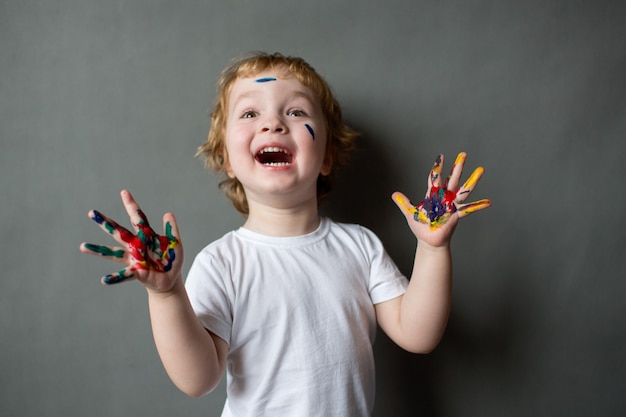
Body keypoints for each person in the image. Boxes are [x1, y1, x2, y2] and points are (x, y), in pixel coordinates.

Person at [80, 52, 491, 417]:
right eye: (249, 114)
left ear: (327, 156)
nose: (273, 122)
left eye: (295, 113)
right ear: (226, 158)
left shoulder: (360, 247)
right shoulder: (222, 263)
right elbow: (198, 379)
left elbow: (418, 334)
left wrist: (432, 248)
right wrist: (167, 294)